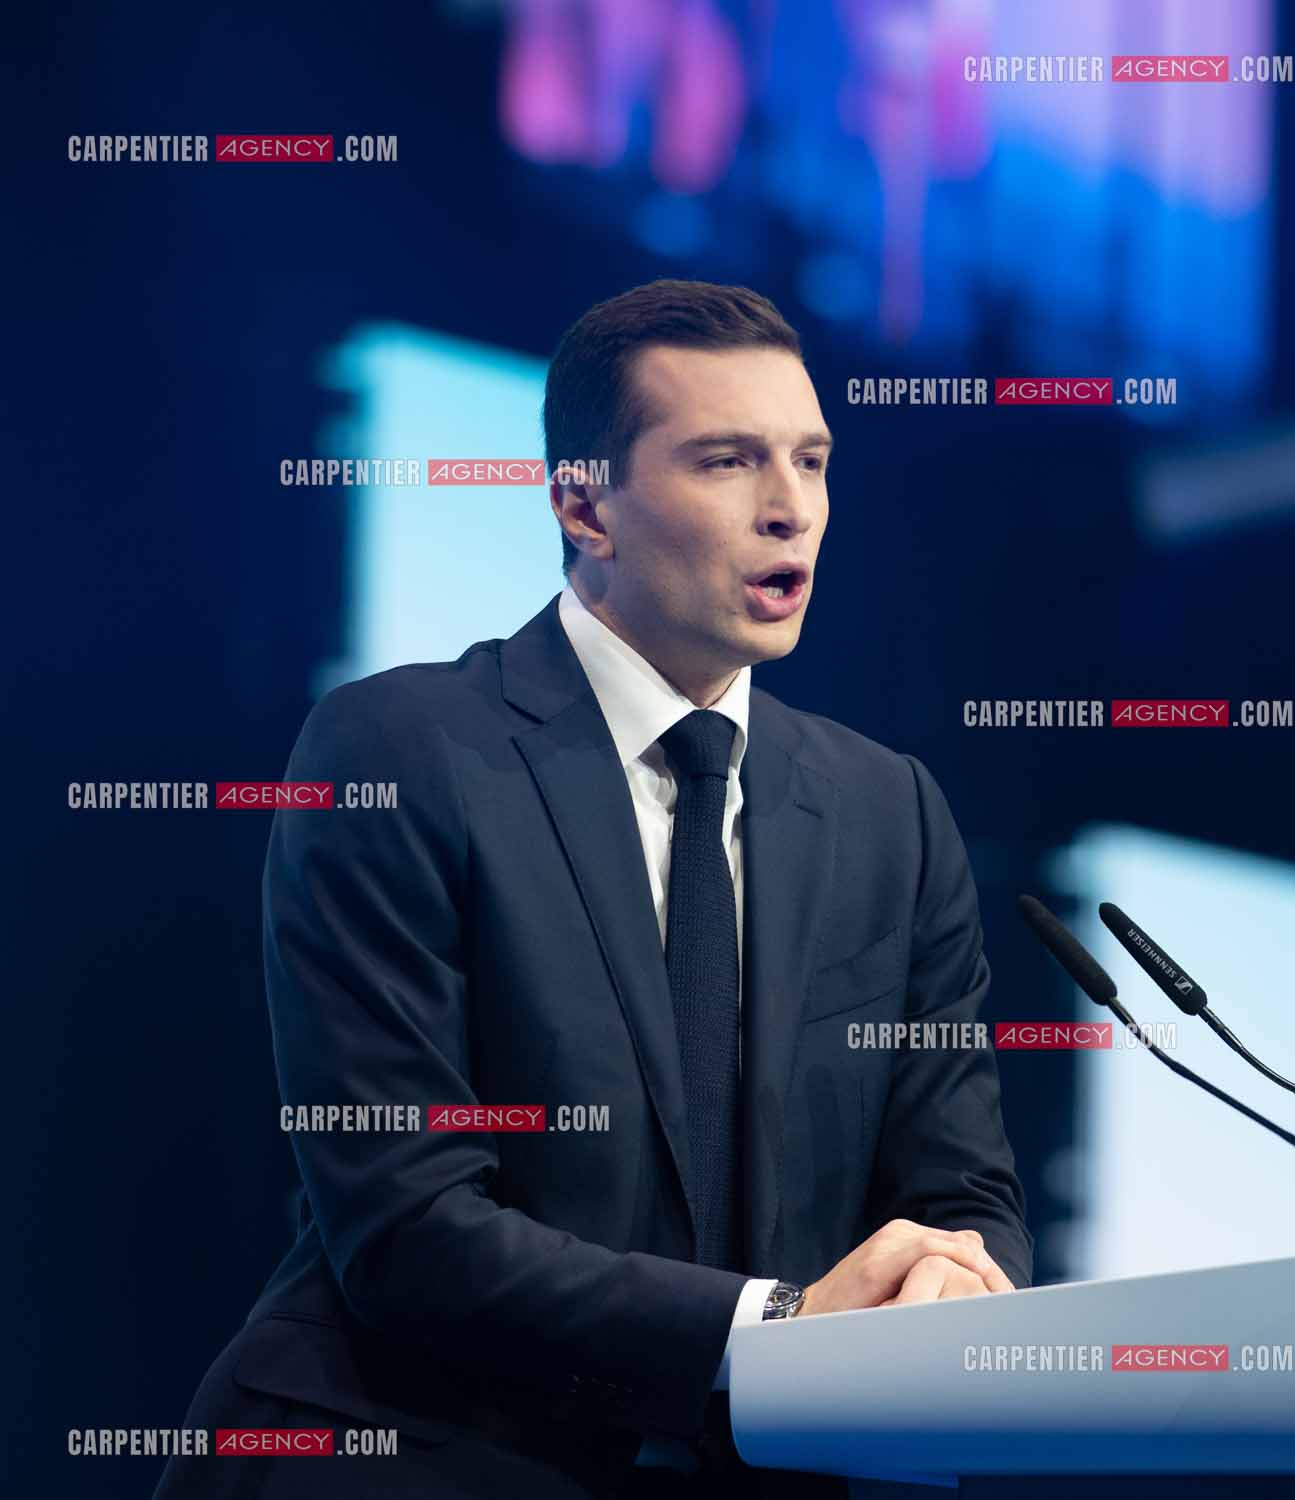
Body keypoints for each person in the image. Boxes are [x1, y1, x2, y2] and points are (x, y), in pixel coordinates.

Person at [157, 280, 1030, 1499]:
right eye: (728, 461)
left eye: (812, 460)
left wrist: (950, 1291)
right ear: (584, 506)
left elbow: (963, 1192)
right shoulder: (402, 751)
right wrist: (779, 1329)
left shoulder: (893, 814)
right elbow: (406, 1228)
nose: (791, 508)